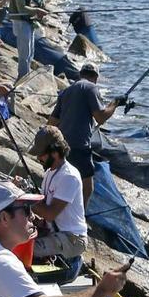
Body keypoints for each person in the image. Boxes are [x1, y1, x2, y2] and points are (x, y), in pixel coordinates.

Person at [48, 64, 126, 202]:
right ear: (95, 77)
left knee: (65, 182)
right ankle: (80, 217)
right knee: (87, 188)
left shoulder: (66, 91)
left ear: (80, 74)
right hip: (79, 145)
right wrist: (115, 102)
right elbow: (100, 117)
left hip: (62, 146)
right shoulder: (91, 87)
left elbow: (52, 122)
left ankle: (63, 212)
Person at [27, 127, 88, 263]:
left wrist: (26, 200)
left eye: (41, 154)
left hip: (72, 238)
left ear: (54, 152)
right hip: (54, 232)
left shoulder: (69, 176)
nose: (38, 158)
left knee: (30, 249)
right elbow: (42, 205)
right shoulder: (50, 173)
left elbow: (50, 214)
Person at [8, 0, 49, 80]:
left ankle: (27, 75)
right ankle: (22, 77)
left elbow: (27, 6)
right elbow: (21, 9)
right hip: (21, 23)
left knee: (30, 52)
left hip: (27, 22)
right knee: (24, 54)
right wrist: (37, 10)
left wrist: (37, 9)